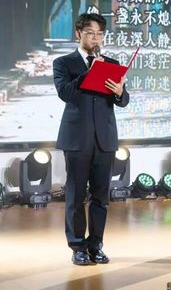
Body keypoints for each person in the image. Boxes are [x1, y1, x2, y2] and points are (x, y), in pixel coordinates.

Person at [53, 13, 129, 265]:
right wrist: (90, 73)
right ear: (78, 34)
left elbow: (123, 100)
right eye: (90, 33)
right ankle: (77, 246)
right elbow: (65, 93)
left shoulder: (111, 63)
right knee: (75, 196)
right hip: (77, 139)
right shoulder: (64, 63)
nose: (95, 38)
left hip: (104, 139)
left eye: (99, 34)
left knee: (101, 197)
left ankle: (95, 245)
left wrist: (120, 92)